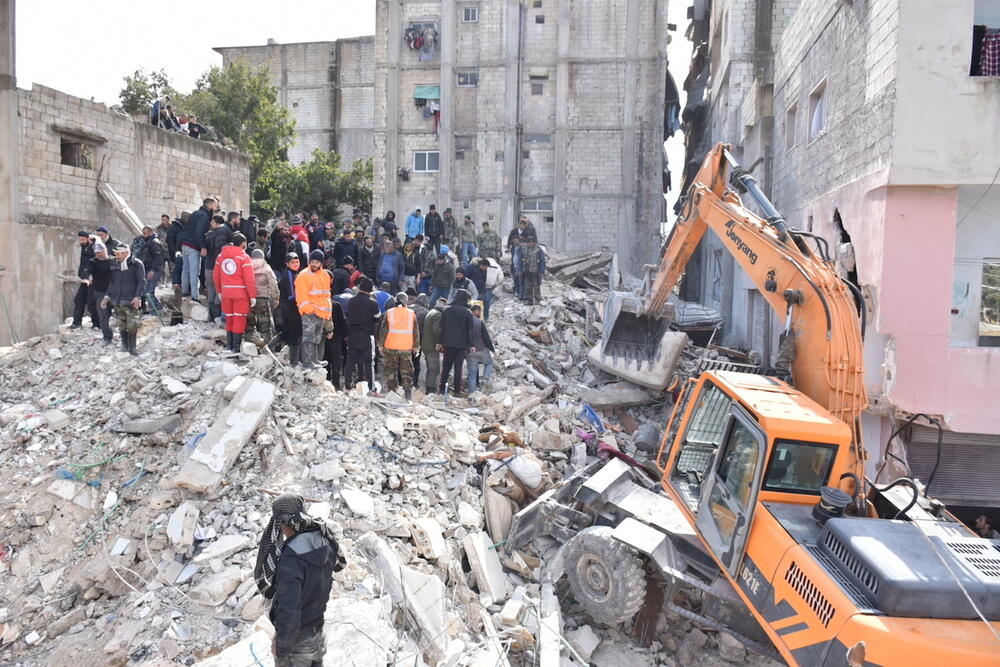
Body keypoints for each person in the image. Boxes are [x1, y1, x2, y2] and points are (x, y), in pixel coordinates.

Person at [253, 494, 345, 667]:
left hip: (295, 642)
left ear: (283, 522)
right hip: (317, 631)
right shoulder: (325, 539)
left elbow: (290, 609)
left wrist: (281, 645)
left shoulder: (290, 558)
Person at [214, 233, 258, 353]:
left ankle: (229, 346)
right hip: (241, 293)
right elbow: (249, 279)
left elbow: (216, 275)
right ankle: (236, 348)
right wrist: (252, 295)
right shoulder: (244, 257)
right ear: (243, 244)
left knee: (229, 318)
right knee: (239, 319)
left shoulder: (220, 257)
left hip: (226, 292)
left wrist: (219, 291)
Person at [102, 243, 145, 356]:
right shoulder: (116, 265)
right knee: (121, 325)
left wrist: (137, 296)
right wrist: (107, 297)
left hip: (131, 300)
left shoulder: (136, 264)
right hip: (117, 301)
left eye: (118, 254)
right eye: (115, 254)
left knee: (132, 325)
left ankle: (133, 348)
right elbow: (112, 283)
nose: (117, 256)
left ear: (125, 253)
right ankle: (124, 346)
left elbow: (141, 281)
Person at [295, 250, 333, 371]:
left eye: (317, 262)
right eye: (312, 261)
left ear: (321, 263)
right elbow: (301, 295)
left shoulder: (324, 275)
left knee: (316, 338)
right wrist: (309, 309)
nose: (314, 264)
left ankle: (314, 359)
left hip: (320, 312)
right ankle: (307, 362)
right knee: (308, 338)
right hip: (310, 311)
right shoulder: (303, 275)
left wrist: (327, 312)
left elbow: (326, 295)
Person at [379, 292, 420, 400]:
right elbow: (415, 332)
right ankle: (407, 393)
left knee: (391, 370)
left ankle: (392, 392)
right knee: (406, 371)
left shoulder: (389, 312)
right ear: (406, 301)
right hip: (405, 347)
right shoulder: (411, 314)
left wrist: (380, 345)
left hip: (390, 347)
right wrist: (416, 347)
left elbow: (383, 330)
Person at [345, 277, 381, 394]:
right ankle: (371, 388)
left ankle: (348, 386)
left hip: (353, 334)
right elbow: (377, 318)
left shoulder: (351, 301)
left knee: (350, 361)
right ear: (370, 290)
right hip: (367, 335)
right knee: (368, 362)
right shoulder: (372, 303)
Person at [179, 197, 218, 301]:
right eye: (215, 205)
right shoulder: (204, 216)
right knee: (194, 271)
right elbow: (199, 231)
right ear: (210, 205)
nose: (216, 208)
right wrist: (203, 246)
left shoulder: (196, 213)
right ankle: (194, 296)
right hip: (193, 246)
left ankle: (185, 292)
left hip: (185, 244)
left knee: (185, 270)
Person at [438, 289, 475, 395]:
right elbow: (470, 330)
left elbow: (442, 327)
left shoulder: (447, 310)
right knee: (458, 369)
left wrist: (440, 342)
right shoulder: (467, 312)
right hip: (461, 345)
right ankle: (457, 391)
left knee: (446, 367)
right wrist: (471, 344)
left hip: (448, 343)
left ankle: (441, 389)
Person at [246, 249, 279, 348]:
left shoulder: (246, 265)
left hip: (249, 299)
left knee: (249, 324)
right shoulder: (266, 267)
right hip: (263, 299)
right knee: (265, 324)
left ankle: (250, 345)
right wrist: (276, 298)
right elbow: (273, 283)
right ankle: (266, 347)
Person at [204, 215, 232, 321]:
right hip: (217, 267)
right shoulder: (224, 232)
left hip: (208, 266)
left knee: (211, 290)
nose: (211, 223)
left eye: (212, 221)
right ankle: (217, 316)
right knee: (219, 291)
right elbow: (220, 248)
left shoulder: (209, 234)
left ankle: (211, 316)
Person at [277, 253, 304, 365]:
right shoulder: (289, 274)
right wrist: (299, 308)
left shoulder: (292, 273)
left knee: (286, 332)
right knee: (295, 335)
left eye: (297, 262)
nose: (295, 264)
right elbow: (292, 295)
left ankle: (268, 347)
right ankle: (294, 363)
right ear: (287, 264)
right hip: (291, 308)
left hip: (287, 306)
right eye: (292, 262)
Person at [71, 231, 99, 329]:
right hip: (84, 279)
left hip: (92, 279)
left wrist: (91, 277)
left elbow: (96, 263)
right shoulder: (85, 247)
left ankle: (97, 323)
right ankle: (77, 323)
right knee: (79, 300)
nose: (81, 241)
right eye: (80, 239)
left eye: (83, 239)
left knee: (91, 302)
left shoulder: (95, 247)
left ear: (88, 238)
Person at [133, 225, 165, 313]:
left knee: (148, 292)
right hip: (150, 268)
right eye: (143, 233)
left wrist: (153, 270)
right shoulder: (149, 241)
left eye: (145, 233)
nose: (143, 235)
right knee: (147, 292)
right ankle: (156, 309)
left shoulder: (154, 243)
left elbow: (158, 258)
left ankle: (157, 310)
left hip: (154, 269)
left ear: (151, 232)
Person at [86, 244, 114, 345]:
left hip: (115, 291)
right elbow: (88, 271)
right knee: (103, 315)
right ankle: (107, 337)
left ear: (105, 250)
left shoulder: (113, 260)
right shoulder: (93, 262)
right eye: (96, 252)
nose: (98, 254)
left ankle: (126, 337)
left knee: (121, 313)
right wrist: (89, 277)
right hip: (101, 292)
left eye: (100, 251)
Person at [466, 304, 495, 393]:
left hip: (469, 351)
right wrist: (492, 349)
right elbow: (486, 337)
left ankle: (472, 393)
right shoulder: (479, 322)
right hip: (481, 349)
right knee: (489, 363)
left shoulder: (465, 321)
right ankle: (485, 381)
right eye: (479, 311)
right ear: (476, 311)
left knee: (472, 374)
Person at [421, 297, 446, 393]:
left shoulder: (431, 311)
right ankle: (430, 390)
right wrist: (439, 342)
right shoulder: (437, 315)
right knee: (434, 369)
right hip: (431, 346)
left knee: (431, 368)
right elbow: (437, 330)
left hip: (426, 344)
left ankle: (430, 388)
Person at [518, 236, 545, 304]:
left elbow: (542, 261)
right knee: (528, 286)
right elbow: (520, 260)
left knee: (536, 286)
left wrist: (542, 271)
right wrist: (520, 269)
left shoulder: (538, 250)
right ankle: (530, 300)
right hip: (526, 271)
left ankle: (537, 300)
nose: (529, 244)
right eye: (528, 242)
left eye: (531, 242)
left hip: (535, 271)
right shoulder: (523, 249)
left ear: (534, 243)